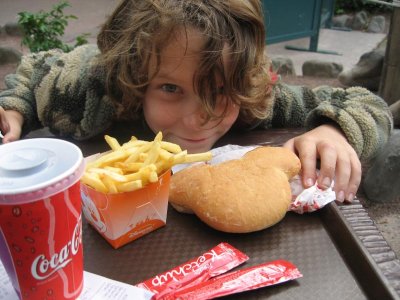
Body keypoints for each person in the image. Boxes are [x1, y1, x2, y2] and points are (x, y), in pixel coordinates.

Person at [0, 0, 393, 203]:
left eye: (220, 91)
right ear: (136, 80)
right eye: (171, 89)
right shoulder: (81, 91)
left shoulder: (253, 100)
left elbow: (364, 103)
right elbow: (35, 70)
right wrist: (14, 110)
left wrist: (335, 129)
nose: (198, 118)